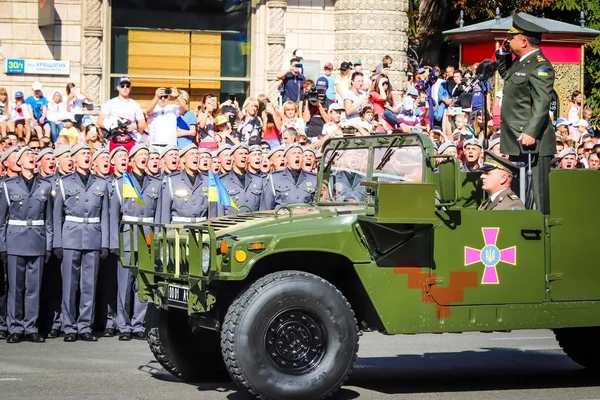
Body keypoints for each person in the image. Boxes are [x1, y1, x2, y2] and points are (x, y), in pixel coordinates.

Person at [496, 13, 555, 214]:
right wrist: (503, 53)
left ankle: (545, 234)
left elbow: (542, 102)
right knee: (519, 193)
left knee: (539, 196)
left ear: (523, 41)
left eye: (511, 37)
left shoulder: (540, 65)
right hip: (517, 138)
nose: (507, 40)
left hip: (534, 142)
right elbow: (507, 75)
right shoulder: (521, 62)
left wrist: (530, 131)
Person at [52, 143, 110, 342]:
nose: (86, 156)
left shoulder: (101, 183)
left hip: (93, 236)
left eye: (88, 153)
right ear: (74, 159)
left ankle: (85, 325)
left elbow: (105, 216)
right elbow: (56, 215)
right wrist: (57, 243)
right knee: (69, 284)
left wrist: (105, 243)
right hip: (70, 236)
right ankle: (69, 327)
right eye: (82, 153)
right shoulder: (63, 182)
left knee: (89, 285)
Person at [0, 147, 53, 343]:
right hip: (15, 240)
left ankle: (30, 327)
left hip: (37, 240)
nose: (31, 158)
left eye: (33, 155)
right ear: (19, 162)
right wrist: (2, 246)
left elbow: (49, 220)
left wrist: (48, 245)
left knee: (33, 287)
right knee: (16, 287)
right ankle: (15, 327)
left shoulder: (45, 186)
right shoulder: (8, 186)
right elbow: (1, 220)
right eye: (27, 156)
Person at [109, 144, 161, 341]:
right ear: (131, 160)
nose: (145, 157)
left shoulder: (156, 183)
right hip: (128, 236)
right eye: (140, 154)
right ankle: (123, 325)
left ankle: (138, 323)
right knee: (124, 283)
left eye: (146, 155)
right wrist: (114, 242)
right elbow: (113, 216)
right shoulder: (121, 183)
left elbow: (158, 216)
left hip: (147, 237)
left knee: (143, 282)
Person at [260, 143, 317, 210]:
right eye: (294, 153)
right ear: (285, 159)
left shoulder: (313, 178)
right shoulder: (274, 178)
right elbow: (266, 207)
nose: (297, 156)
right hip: (283, 218)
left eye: (299, 153)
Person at [219, 143, 264, 215]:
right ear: (232, 157)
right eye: (240, 153)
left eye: (246, 154)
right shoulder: (221, 181)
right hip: (232, 224)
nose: (243, 156)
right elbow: (218, 213)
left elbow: (263, 210)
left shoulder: (258, 180)